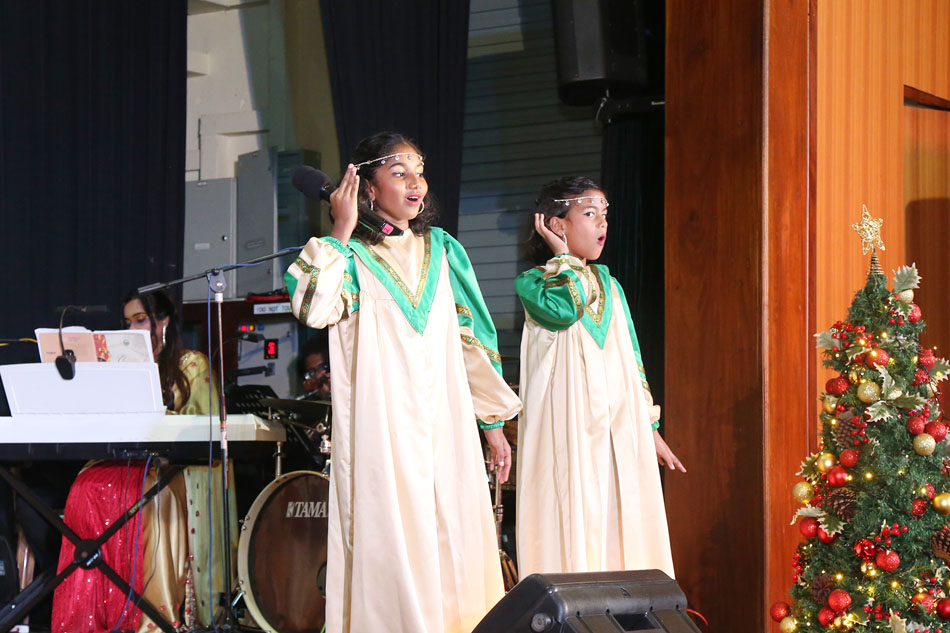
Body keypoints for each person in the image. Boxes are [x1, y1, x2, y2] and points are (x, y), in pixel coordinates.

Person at [284, 131, 521, 633]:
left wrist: (493, 423)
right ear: (366, 187)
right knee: (393, 538)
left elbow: (472, 340)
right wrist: (341, 229)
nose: (416, 183)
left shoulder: (443, 250)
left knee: (453, 535)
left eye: (420, 172)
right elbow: (312, 307)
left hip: (446, 425)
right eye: (399, 173)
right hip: (383, 431)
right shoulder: (347, 258)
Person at [514, 176, 685, 579]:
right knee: (575, 517)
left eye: (605, 214)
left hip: (618, 426)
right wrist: (564, 258)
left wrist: (650, 427)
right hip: (569, 426)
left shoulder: (612, 286)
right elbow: (563, 310)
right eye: (590, 214)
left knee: (622, 522)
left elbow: (633, 360)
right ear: (556, 224)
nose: (602, 224)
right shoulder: (536, 283)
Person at [51, 291, 231, 633]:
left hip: (171, 469)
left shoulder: (192, 365)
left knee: (148, 495)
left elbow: (203, 429)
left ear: (163, 321)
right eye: (128, 322)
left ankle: (153, 619)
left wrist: (159, 416)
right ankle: (93, 616)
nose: (133, 328)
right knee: (85, 487)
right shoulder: (118, 367)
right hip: (121, 462)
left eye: (141, 319)